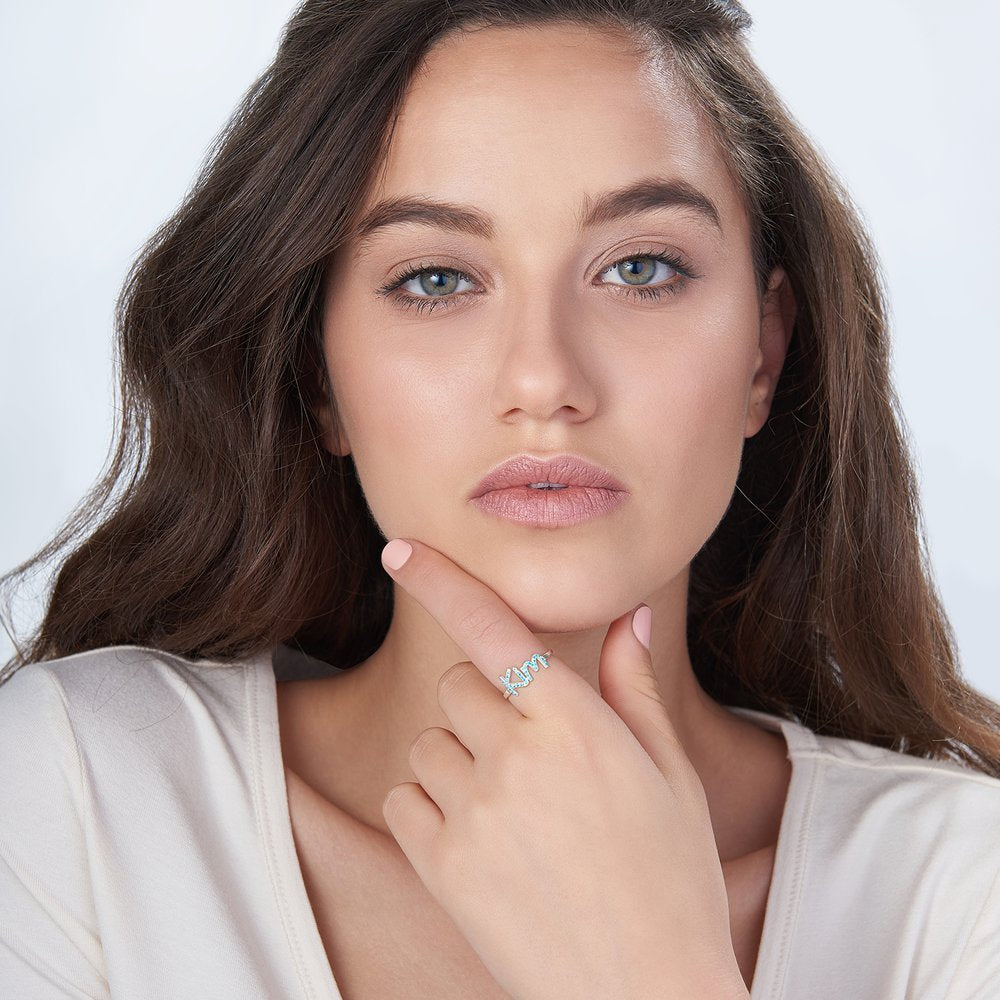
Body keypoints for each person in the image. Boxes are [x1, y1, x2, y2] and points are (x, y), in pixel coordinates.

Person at [2, 1, 998, 997]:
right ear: (319, 377)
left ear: (762, 355)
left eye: (640, 269)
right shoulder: (80, 799)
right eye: (436, 279)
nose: (544, 380)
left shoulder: (961, 895)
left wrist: (654, 969)